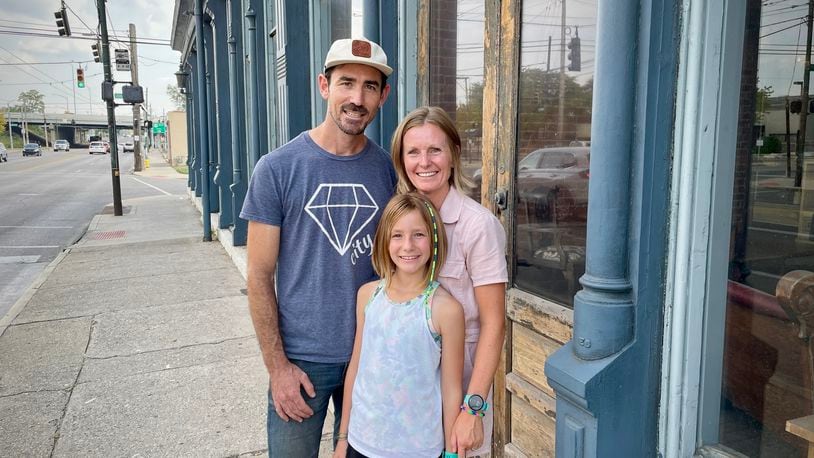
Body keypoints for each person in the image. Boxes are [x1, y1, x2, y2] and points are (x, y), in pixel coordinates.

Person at [239, 37, 396, 456]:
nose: (356, 98)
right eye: (346, 83)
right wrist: (278, 368)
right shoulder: (277, 168)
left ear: (383, 96)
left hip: (372, 356)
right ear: (324, 86)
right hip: (302, 362)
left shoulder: (388, 170)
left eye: (369, 87)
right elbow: (257, 276)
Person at [391, 106, 508, 457]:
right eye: (413, 151)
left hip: (460, 386)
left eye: (435, 150)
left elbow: (494, 324)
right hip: (409, 387)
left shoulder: (478, 226)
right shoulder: (398, 219)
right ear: (402, 160)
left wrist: (473, 410)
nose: (424, 162)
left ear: (453, 156)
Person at [333, 193, 465, 458]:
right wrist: (343, 438)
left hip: (418, 449)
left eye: (419, 234)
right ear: (384, 241)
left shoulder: (445, 309)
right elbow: (357, 367)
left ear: (434, 239)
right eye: (397, 235)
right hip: (361, 442)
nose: (408, 246)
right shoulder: (367, 296)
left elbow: (451, 390)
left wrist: (452, 453)